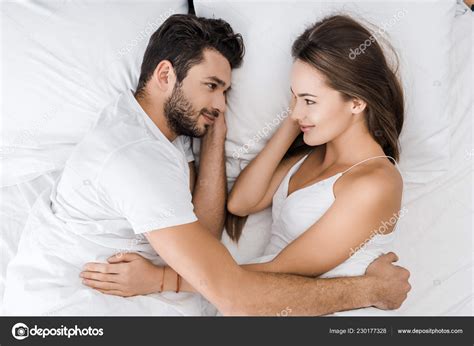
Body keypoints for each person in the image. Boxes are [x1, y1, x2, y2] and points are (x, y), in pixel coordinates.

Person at [78, 14, 411, 316]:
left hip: (318, 307)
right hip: (268, 301)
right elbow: (241, 202)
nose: (296, 111)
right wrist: (294, 122)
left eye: (309, 101)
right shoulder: (311, 157)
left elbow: (285, 269)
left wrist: (162, 279)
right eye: (294, 98)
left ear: (356, 101)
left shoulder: (376, 181)